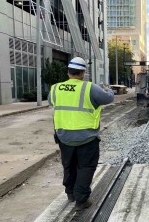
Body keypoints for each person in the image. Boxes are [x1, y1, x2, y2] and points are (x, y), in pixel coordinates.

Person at [48, 57, 114, 211]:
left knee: (69, 166)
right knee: (85, 167)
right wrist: (109, 89)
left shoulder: (56, 88)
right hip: (87, 137)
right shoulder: (90, 88)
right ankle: (81, 200)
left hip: (64, 136)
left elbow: (52, 102)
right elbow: (108, 98)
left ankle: (70, 193)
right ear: (83, 72)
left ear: (69, 72)